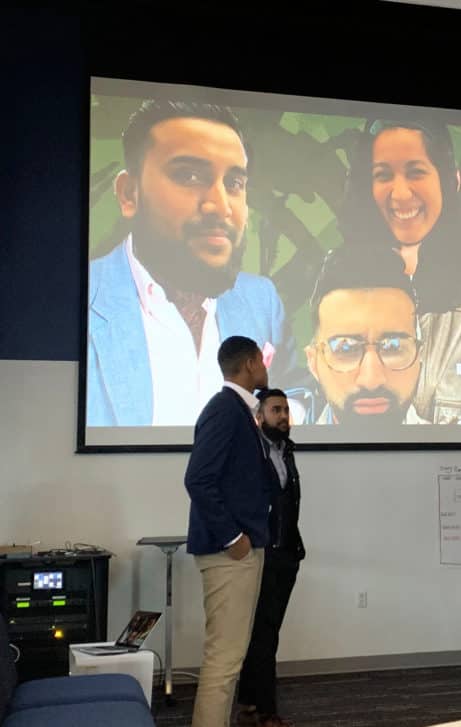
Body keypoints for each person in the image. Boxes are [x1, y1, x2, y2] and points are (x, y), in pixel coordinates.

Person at [87, 99, 295, 427]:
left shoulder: (262, 301)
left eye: (234, 183)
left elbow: (296, 395)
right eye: (189, 175)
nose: (219, 205)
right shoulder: (83, 300)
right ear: (129, 194)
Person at [340, 117, 461, 424]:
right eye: (382, 175)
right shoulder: (339, 296)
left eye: (416, 172)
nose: (400, 194)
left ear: (451, 181)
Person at [184, 336, 275, 727]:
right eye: (263, 361)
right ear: (252, 363)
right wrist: (233, 538)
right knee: (224, 661)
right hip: (228, 553)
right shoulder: (225, 409)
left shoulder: (240, 409)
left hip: (241, 549)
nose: (266, 367)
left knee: (229, 658)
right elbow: (198, 479)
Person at [237, 388, 305, 727]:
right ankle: (266, 710)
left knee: (267, 631)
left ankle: (249, 700)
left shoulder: (286, 451)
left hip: (286, 554)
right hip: (261, 554)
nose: (283, 416)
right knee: (264, 634)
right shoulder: (252, 452)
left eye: (286, 410)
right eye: (276, 409)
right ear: (259, 416)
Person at [305, 245, 425, 429]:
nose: (371, 380)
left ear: (420, 356)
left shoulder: (454, 456)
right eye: (346, 347)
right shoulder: (271, 454)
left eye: (392, 347)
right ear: (313, 363)